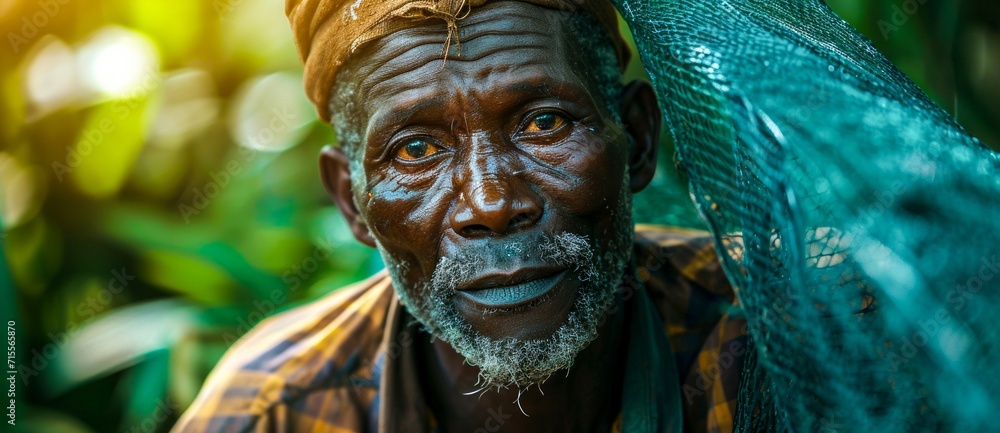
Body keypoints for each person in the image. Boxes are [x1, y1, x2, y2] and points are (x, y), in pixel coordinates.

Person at [172, 0, 747, 432]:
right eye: (415, 150)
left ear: (639, 141)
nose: (492, 206)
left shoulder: (771, 339)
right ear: (352, 202)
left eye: (544, 123)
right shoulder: (266, 414)